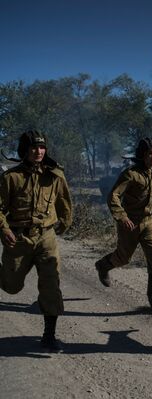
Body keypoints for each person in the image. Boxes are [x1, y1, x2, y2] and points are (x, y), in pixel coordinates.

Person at [0, 130, 72, 352]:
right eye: (33, 148)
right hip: (19, 238)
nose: (38, 152)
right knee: (11, 287)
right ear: (24, 151)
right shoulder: (11, 178)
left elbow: (64, 201)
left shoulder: (54, 176)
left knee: (51, 284)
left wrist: (65, 222)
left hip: (46, 237)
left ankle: (49, 336)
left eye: (42, 148)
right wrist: (4, 229)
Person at [94, 138, 152, 311]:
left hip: (149, 222)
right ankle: (103, 265)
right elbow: (113, 196)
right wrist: (122, 217)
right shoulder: (131, 174)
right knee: (123, 258)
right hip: (130, 222)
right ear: (142, 155)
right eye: (150, 153)